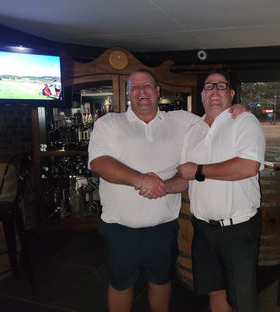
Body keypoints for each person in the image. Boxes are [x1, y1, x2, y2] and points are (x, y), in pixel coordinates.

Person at [88, 69, 246, 312]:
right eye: (136, 87)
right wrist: (142, 180)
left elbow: (214, 121)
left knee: (160, 281)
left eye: (148, 86)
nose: (142, 91)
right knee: (120, 284)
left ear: (158, 91)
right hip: (119, 228)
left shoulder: (181, 121)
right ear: (128, 92)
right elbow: (100, 163)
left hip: (163, 227)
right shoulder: (109, 123)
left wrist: (236, 110)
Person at [176, 70, 266, 312]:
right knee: (215, 291)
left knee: (243, 301)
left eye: (221, 85)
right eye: (209, 86)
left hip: (238, 229)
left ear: (231, 93)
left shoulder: (244, 121)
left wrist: (199, 170)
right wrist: (151, 185)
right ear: (202, 94)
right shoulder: (192, 129)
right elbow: (185, 178)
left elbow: (248, 166)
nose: (214, 90)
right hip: (203, 227)